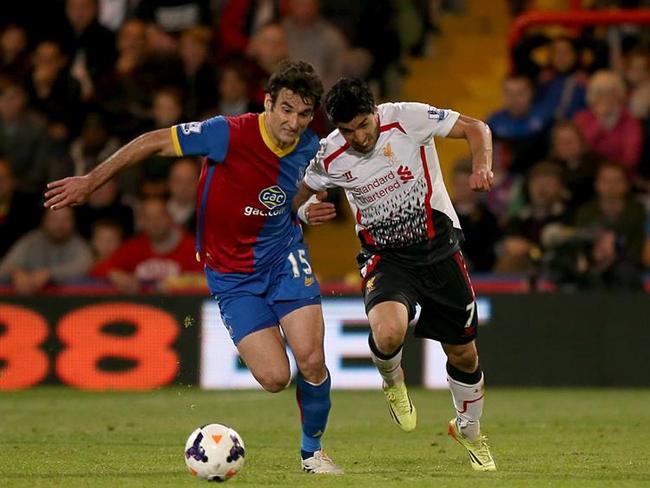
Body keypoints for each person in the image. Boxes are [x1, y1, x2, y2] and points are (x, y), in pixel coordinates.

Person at [43, 60, 342, 475]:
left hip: (283, 258)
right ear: (268, 103)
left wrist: (305, 211)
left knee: (311, 359)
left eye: (304, 113)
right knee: (275, 377)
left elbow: (287, 201)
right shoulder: (228, 133)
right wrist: (90, 181)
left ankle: (313, 453)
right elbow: (151, 143)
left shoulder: (312, 150)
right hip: (231, 276)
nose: (294, 122)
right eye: (286, 109)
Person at [293, 78, 496, 471]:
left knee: (464, 354)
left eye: (363, 125)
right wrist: (303, 212)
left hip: (439, 250)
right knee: (388, 332)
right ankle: (392, 381)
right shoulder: (330, 155)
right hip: (385, 257)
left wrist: (481, 166)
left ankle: (468, 429)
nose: (358, 137)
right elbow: (300, 193)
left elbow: (476, 128)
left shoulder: (408, 118)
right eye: (348, 131)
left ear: (375, 110)